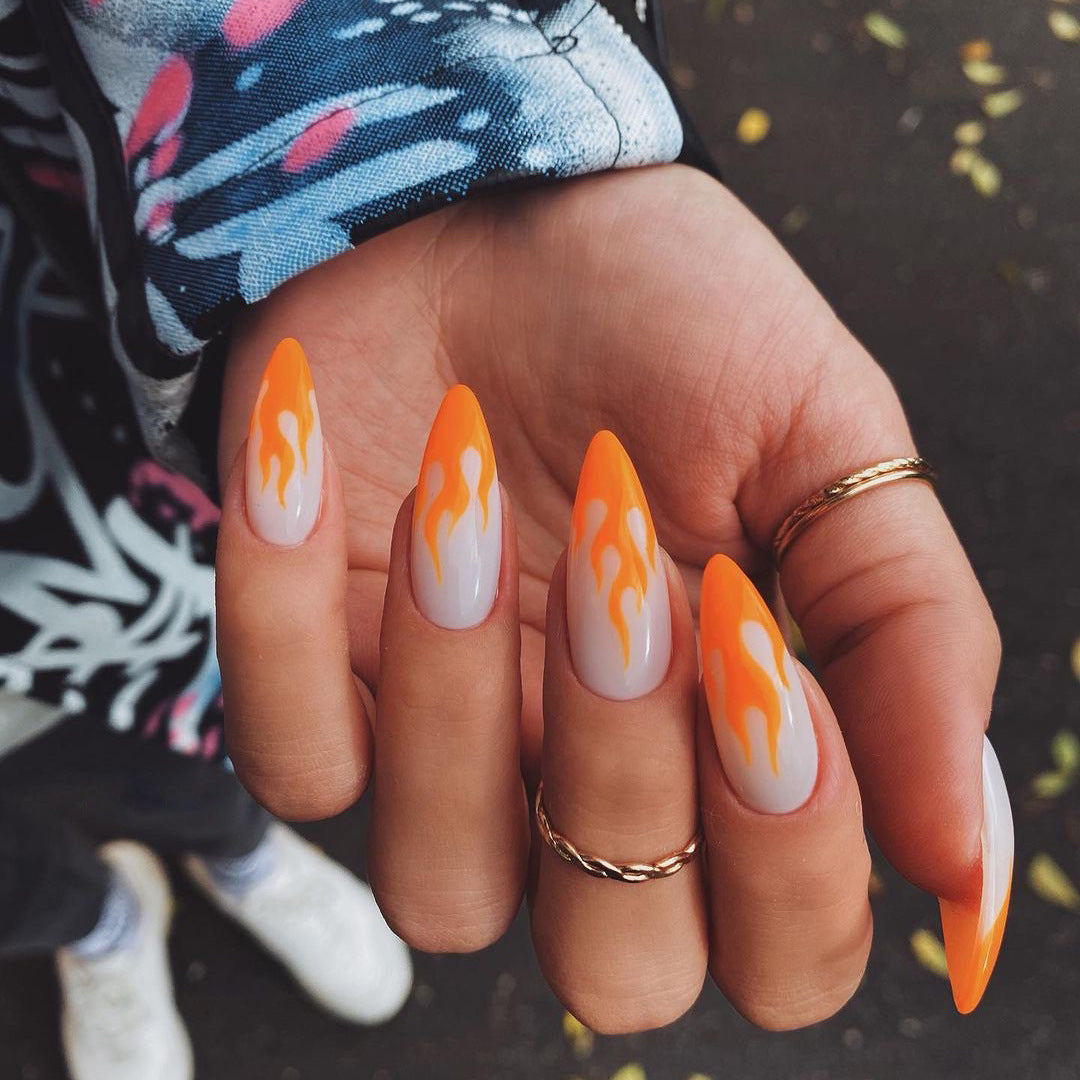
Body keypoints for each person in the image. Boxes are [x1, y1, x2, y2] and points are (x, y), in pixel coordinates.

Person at [0, 0, 1009, 1076]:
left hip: (88, 485)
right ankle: (97, 925)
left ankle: (238, 856)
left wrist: (384, 136)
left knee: (189, 742)